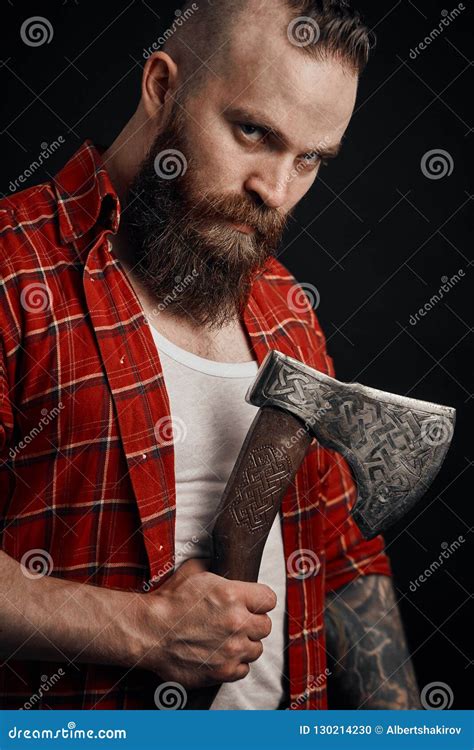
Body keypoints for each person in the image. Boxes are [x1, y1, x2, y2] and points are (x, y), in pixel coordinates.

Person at [0, 0, 420, 709]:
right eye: (253, 131)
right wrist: (148, 630)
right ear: (163, 87)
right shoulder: (14, 274)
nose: (276, 191)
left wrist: (402, 725)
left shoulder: (285, 307)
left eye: (311, 159)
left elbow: (343, 555)